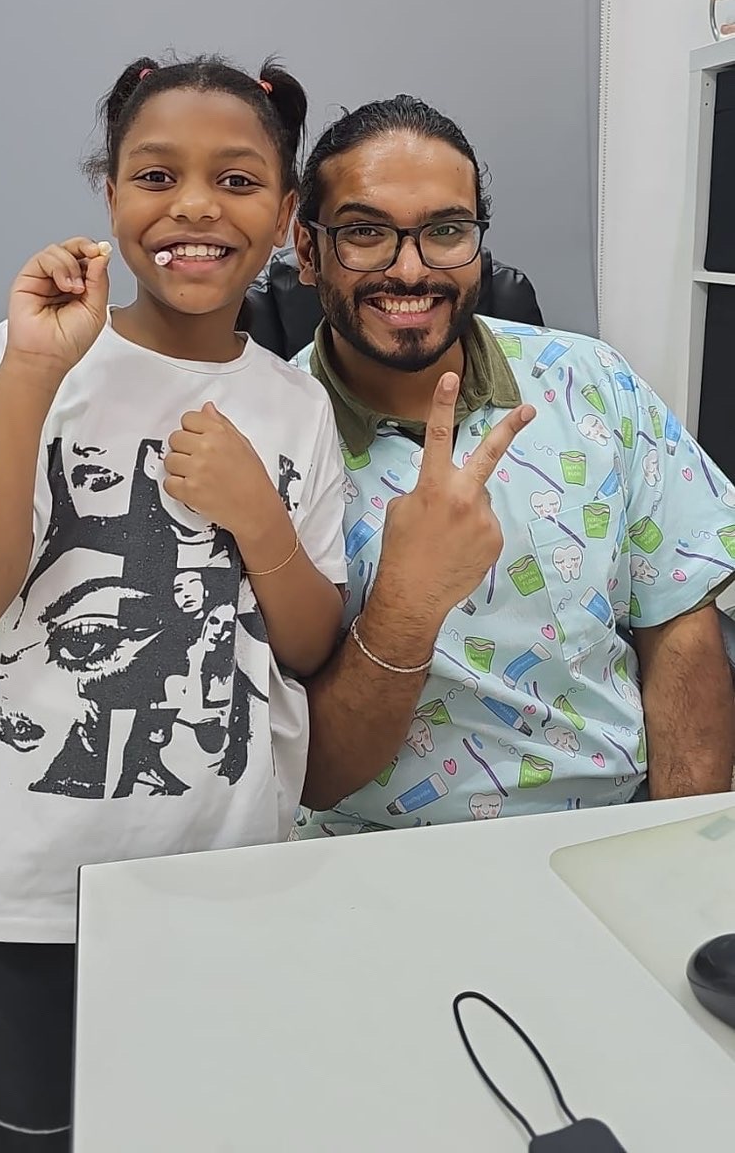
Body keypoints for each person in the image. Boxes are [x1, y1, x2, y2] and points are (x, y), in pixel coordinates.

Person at [0, 54, 352, 1150]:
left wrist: (259, 519)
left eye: (237, 181)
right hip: (27, 888)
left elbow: (305, 645)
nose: (193, 206)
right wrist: (29, 375)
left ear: (287, 215)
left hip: (219, 876)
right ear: (109, 197)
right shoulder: (29, 365)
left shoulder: (294, 408)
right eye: (156, 175)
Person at [291, 94, 735, 835]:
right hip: (366, 852)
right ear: (308, 252)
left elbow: (677, 623)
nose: (411, 269)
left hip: (609, 828)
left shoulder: (590, 379)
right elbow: (310, 772)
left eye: (447, 231)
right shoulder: (267, 434)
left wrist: (680, 850)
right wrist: (409, 598)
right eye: (366, 233)